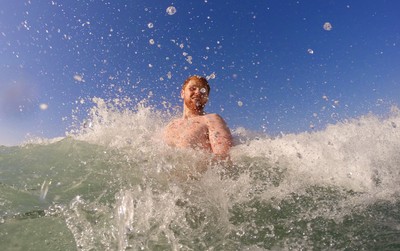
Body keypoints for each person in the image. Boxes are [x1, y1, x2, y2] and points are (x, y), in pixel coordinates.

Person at [163, 75, 232, 161]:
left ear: (207, 97)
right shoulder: (171, 125)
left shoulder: (212, 120)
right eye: (193, 88)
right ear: (182, 93)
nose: (198, 92)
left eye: (203, 91)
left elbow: (225, 161)